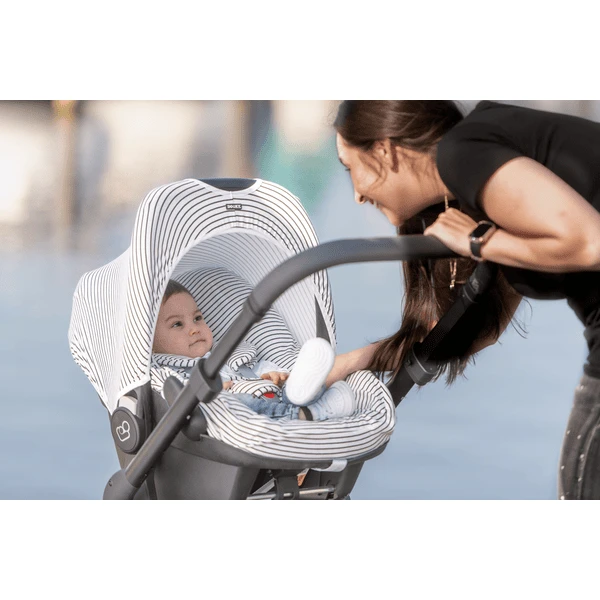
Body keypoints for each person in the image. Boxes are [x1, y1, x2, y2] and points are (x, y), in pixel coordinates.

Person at [328, 100, 600, 500]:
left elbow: (591, 243)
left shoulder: (463, 152)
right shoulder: (480, 176)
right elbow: (476, 331)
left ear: (385, 151)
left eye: (349, 167)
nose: (356, 195)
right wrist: (347, 365)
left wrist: (479, 241)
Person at [152, 279, 356, 421]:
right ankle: (308, 414)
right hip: (236, 414)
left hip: (272, 395)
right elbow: (179, 402)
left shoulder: (227, 353)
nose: (194, 329)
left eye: (197, 318)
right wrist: (206, 394)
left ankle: (310, 392)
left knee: (294, 388)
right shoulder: (168, 374)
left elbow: (256, 368)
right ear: (151, 341)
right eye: (177, 324)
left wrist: (274, 375)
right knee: (237, 403)